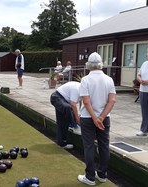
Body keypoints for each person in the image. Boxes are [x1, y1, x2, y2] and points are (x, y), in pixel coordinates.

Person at [78, 52, 116, 186]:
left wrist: (95, 118)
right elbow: (112, 101)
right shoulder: (109, 79)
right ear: (101, 65)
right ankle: (102, 174)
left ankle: (90, 177)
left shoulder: (85, 80)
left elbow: (86, 102)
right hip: (104, 118)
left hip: (88, 118)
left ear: (89, 65)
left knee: (89, 146)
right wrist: (101, 117)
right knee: (104, 146)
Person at [50, 81, 81, 149]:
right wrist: (77, 119)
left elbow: (83, 102)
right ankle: (74, 126)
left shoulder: (83, 90)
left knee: (62, 122)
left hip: (62, 100)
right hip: (56, 98)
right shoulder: (77, 89)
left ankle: (62, 143)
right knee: (68, 108)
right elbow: (73, 104)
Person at [136, 46, 148, 136]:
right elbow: (139, 74)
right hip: (143, 90)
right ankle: (144, 130)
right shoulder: (145, 63)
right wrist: (140, 80)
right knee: (144, 111)